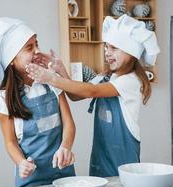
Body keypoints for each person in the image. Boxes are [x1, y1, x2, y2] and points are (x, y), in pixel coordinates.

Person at [26, 14, 160, 177]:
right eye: (106, 47)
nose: (107, 53)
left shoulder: (130, 81)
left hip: (123, 159)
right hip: (101, 157)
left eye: (114, 48)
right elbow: (76, 95)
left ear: (131, 52)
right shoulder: (106, 77)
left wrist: (50, 78)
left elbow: (91, 91)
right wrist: (61, 69)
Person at [0, 17, 76, 187]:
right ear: (11, 59)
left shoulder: (52, 81)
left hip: (64, 176)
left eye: (36, 44)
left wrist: (65, 147)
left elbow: (69, 124)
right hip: (31, 180)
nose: (37, 51)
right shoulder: (2, 99)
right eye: (29, 47)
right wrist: (21, 163)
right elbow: (10, 142)